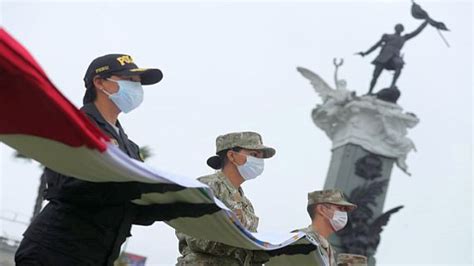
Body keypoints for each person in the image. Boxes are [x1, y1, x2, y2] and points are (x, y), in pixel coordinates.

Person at [15, 54, 196, 265]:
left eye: (139, 83)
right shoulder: (77, 125)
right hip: (55, 251)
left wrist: (180, 206)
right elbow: (65, 186)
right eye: (129, 80)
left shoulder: (130, 148)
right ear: (100, 82)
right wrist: (136, 187)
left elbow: (130, 210)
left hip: (97, 257)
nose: (137, 88)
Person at [175, 131, 275, 265]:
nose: (259, 161)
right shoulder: (206, 187)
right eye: (254, 155)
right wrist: (243, 242)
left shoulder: (246, 204)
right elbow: (197, 239)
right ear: (232, 156)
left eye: (260, 157)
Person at [357, 21, 428, 94]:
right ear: (395, 28)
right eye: (398, 27)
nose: (399, 29)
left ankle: (392, 85)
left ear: (402, 30)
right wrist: (366, 53)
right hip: (384, 56)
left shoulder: (404, 38)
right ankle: (370, 91)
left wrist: (425, 23)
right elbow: (377, 45)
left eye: (401, 28)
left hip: (395, 57)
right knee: (375, 75)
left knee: (399, 65)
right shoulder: (388, 36)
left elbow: (416, 32)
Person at [293, 189, 357, 266]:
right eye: (340, 208)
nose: (344, 214)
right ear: (322, 209)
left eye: (345, 210)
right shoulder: (301, 240)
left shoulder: (327, 249)